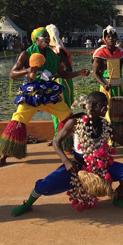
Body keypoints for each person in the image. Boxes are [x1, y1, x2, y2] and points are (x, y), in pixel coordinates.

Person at [10, 92, 123, 216]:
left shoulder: (105, 124)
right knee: (44, 184)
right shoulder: (75, 121)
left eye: (107, 105)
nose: (106, 108)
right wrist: (66, 161)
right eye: (102, 105)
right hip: (76, 167)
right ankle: (27, 204)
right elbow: (56, 142)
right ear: (92, 106)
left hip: (101, 167)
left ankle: (118, 198)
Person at [0, 27, 90, 167]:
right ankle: (5, 154)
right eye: (43, 37)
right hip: (31, 94)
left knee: (67, 116)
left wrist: (79, 73)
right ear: (36, 39)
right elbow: (12, 73)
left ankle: (69, 147)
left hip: (49, 94)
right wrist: (29, 70)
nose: (46, 39)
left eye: (47, 37)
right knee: (18, 120)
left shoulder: (53, 55)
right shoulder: (26, 54)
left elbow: (63, 75)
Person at [45, 24, 75, 152]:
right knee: (54, 111)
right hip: (54, 82)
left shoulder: (58, 51)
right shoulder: (50, 51)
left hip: (62, 82)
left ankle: (66, 139)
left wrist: (53, 75)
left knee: (63, 110)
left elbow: (68, 69)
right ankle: (59, 137)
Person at [92, 25, 123, 109]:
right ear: (105, 39)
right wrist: (104, 84)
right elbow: (95, 73)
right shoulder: (99, 54)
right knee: (106, 111)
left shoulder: (122, 53)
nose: (111, 38)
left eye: (113, 36)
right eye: (108, 37)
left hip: (119, 87)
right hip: (106, 87)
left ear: (116, 38)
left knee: (121, 110)